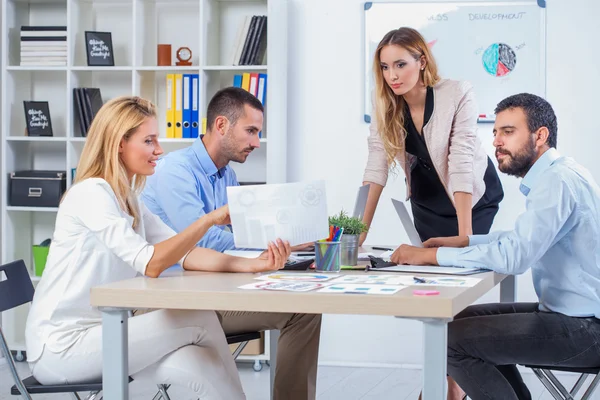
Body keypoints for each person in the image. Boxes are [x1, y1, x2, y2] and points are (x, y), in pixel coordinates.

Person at [25, 96, 291, 399]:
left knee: (198, 362)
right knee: (197, 317)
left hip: (110, 333)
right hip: (62, 346)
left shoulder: (129, 196)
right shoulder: (92, 193)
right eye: (149, 140)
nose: (159, 150)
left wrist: (255, 264)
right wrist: (209, 220)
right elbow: (151, 263)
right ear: (119, 144)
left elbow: (187, 253)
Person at [391, 93, 600, 399]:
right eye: (495, 132)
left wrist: (434, 256)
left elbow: (516, 257)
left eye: (508, 132)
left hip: (586, 330)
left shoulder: (558, 182)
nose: (497, 142)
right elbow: (520, 237)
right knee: (458, 322)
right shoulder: (560, 175)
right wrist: (466, 241)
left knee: (450, 340)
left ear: (540, 135)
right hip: (573, 317)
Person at [141, 86, 322, 400]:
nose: (256, 142)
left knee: (305, 308)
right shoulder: (175, 171)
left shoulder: (226, 175)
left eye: (258, 132)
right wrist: (272, 246)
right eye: (250, 131)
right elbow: (205, 238)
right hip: (173, 303)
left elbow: (241, 233)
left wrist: (286, 241)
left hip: (209, 289)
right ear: (221, 125)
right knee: (301, 311)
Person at [361, 27, 504, 245]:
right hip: (426, 201)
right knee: (431, 269)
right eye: (385, 67)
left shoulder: (458, 93)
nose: (392, 76)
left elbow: (461, 162)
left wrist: (466, 237)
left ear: (422, 62)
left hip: (471, 199)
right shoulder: (382, 101)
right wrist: (358, 236)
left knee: (463, 264)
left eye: (400, 64)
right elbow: (376, 164)